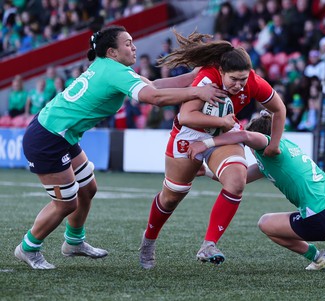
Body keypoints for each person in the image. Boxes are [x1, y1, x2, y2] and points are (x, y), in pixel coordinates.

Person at [14, 25, 227, 270]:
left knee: (88, 188)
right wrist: (196, 90)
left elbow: (155, 87)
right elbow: (154, 98)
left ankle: (73, 242)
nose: (134, 47)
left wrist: (196, 77)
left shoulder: (111, 68)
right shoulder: (115, 72)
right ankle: (28, 248)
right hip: (48, 139)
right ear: (112, 52)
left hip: (60, 134)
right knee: (66, 203)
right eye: (128, 43)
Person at [139, 30, 286, 269]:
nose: (239, 85)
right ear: (221, 72)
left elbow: (279, 109)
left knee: (236, 180)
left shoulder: (253, 82)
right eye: (233, 80)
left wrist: (275, 144)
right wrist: (221, 122)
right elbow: (186, 116)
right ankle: (148, 241)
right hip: (189, 135)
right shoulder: (207, 78)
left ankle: (209, 244)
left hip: (222, 135)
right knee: (171, 197)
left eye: (243, 79)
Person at [187, 110, 325, 270]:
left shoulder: (269, 146)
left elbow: (246, 137)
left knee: (265, 223)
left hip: (322, 213)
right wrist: (205, 172)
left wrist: (206, 143)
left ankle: (318, 258)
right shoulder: (280, 151)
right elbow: (239, 178)